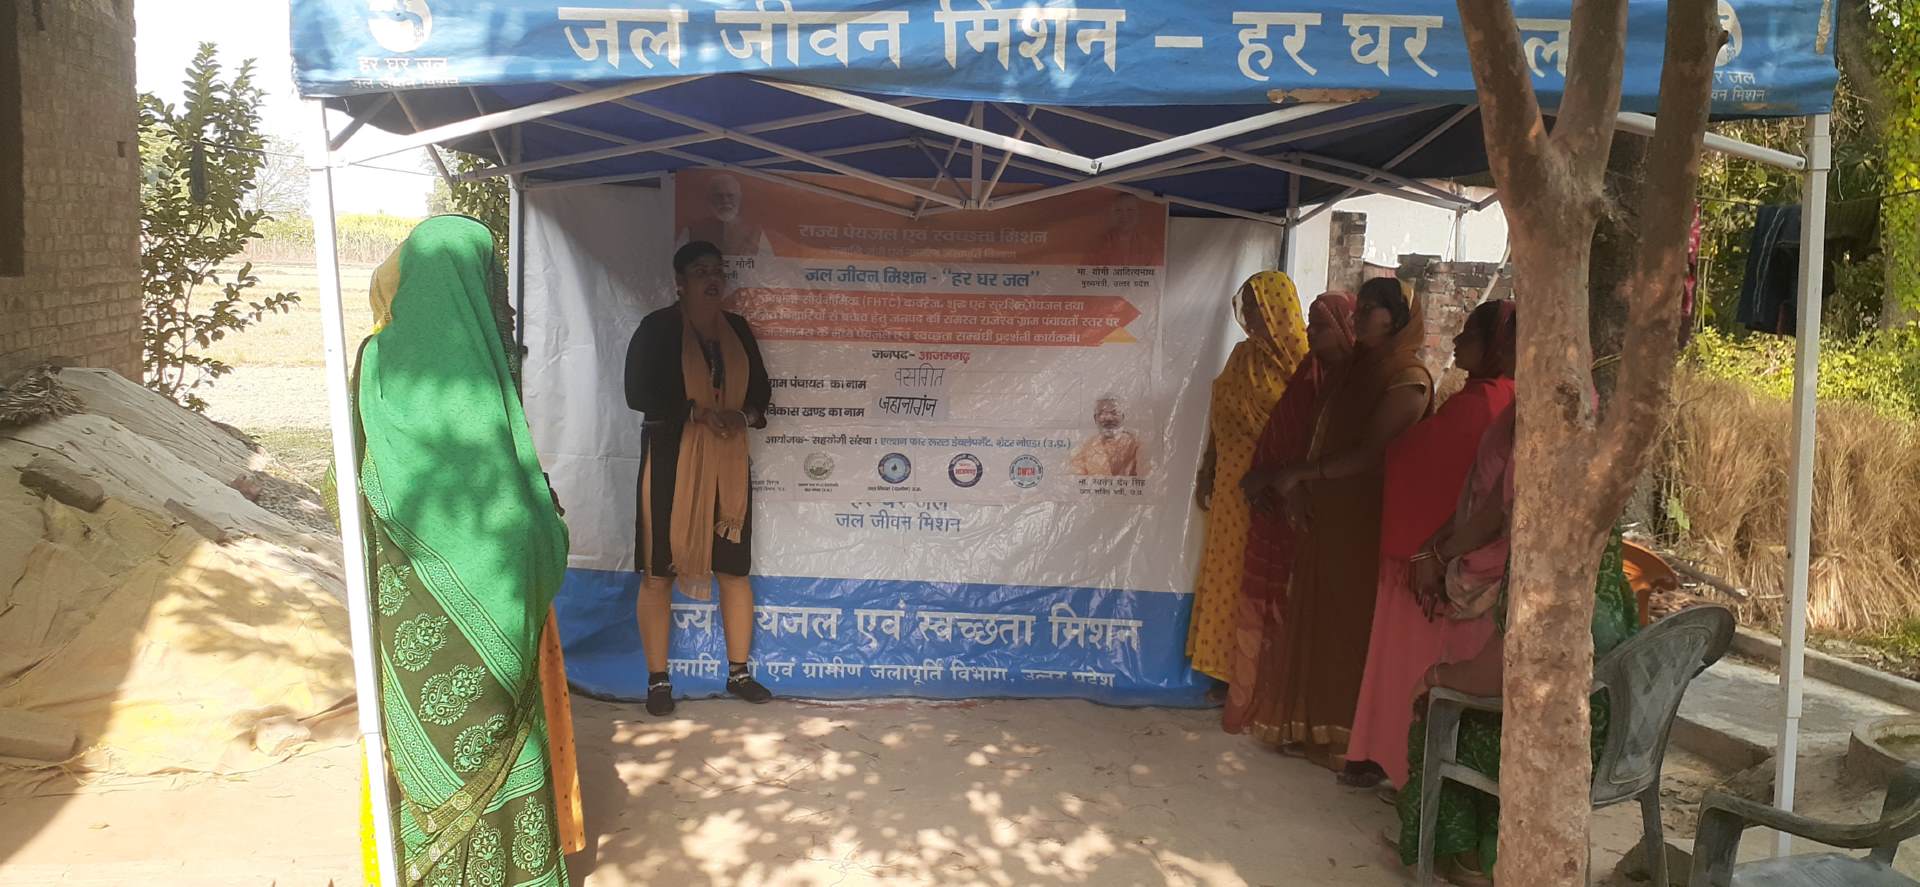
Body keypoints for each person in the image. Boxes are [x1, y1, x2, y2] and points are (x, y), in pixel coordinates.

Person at [349, 215, 577, 885]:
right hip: (503, 601)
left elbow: (344, 482)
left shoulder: (374, 367)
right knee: (509, 743)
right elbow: (532, 515)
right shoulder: (490, 367)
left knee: (434, 754)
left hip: (411, 603)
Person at [1392, 403, 1640, 883]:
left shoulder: (1539, 576)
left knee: (1441, 714)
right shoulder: (1607, 570)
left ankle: (1468, 859)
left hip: (1560, 741)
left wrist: (1433, 677)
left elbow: (1495, 677)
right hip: (1618, 739)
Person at [1247, 276, 1432, 773]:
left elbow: (1371, 455)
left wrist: (1299, 475)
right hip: (1326, 513)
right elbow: (1319, 435)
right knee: (1318, 615)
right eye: (1360, 307)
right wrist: (1301, 486)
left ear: (1397, 318)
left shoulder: (1407, 376)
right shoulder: (1352, 368)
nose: (1360, 316)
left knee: (1352, 625)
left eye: (1371, 309)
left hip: (1367, 520)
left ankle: (1352, 740)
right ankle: (1310, 727)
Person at [1344, 300, 1517, 789]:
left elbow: (1418, 462)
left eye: (1470, 335)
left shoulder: (1482, 403)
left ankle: (1397, 764)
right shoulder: (1508, 402)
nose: (1458, 342)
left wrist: (1432, 553)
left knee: (1411, 665)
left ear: (1496, 346)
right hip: (1455, 553)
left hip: (1448, 562)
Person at [625, 240, 775, 716]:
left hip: (728, 462)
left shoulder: (737, 330)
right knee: (658, 572)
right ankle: (658, 680)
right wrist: (693, 412)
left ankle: (739, 673)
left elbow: (761, 393)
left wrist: (742, 416)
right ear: (680, 282)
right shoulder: (658, 328)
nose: (712, 278)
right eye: (700, 271)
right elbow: (637, 392)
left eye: (717, 270)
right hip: (671, 459)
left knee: (733, 569)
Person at [1227, 291, 1355, 735]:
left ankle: (1294, 710)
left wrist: (1286, 481)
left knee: (1299, 611)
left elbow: (1346, 450)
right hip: (1276, 503)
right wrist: (1262, 479)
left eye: (1320, 326)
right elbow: (1284, 434)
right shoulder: (1309, 371)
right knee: (1266, 606)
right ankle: (1260, 703)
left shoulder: (1356, 383)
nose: (1310, 333)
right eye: (1310, 324)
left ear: (1346, 329)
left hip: (1321, 512)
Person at [1187, 271, 1309, 683]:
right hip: (1231, 482)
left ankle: (1262, 679)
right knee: (1228, 571)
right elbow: (1220, 415)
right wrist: (1209, 468)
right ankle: (1223, 669)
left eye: (1258, 308)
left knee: (1265, 578)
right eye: (1248, 308)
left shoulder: (1304, 363)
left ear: (1279, 310)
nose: (1251, 317)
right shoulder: (1241, 356)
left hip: (1275, 489)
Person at [677, 174, 772, 256]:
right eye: (719, 196)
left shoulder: (756, 233)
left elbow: (768, 267)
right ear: (709, 199)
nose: (725, 200)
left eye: (730, 195)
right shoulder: (692, 231)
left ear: (739, 198)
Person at [1068, 396, 1144, 477]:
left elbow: (1146, 478)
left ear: (1123, 416)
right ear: (1095, 418)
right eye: (1102, 413)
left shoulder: (1136, 446)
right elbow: (1076, 480)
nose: (1108, 418)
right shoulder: (1085, 449)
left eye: (1114, 413)